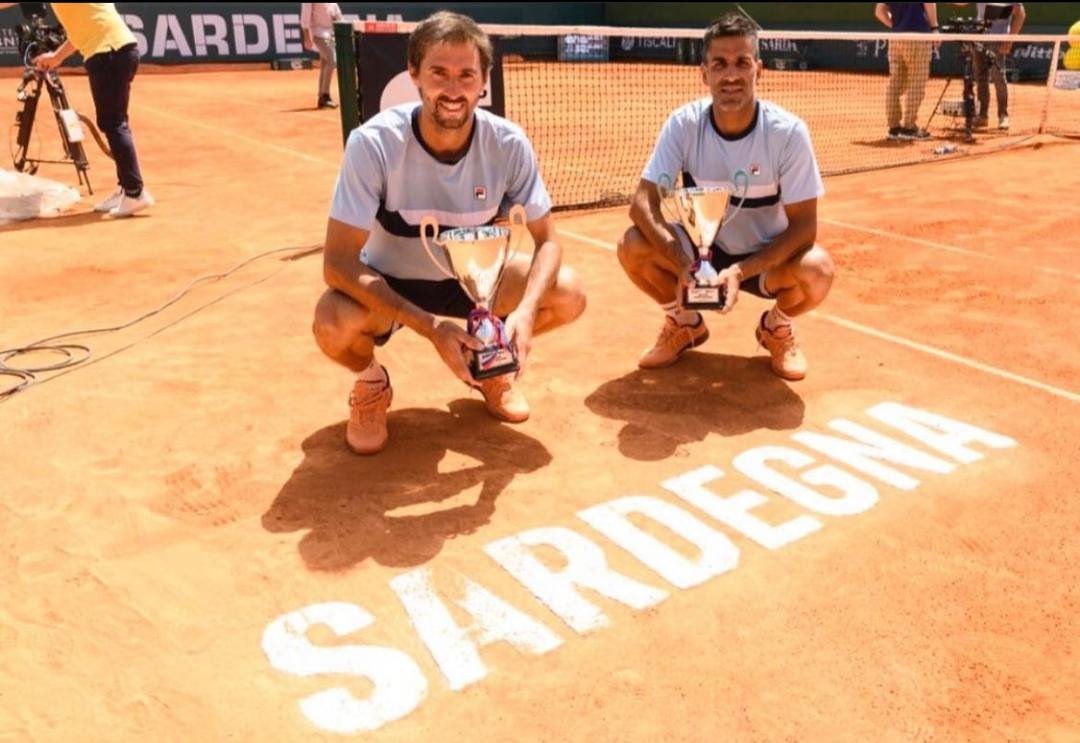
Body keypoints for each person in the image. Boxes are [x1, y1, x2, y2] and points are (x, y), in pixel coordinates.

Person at [312, 11, 586, 455]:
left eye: (466, 75)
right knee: (332, 320)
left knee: (568, 292)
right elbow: (337, 263)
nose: (453, 90)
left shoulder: (509, 143)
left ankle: (489, 368)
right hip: (390, 285)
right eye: (439, 73)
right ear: (414, 74)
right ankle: (371, 382)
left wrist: (528, 313)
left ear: (484, 81)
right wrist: (430, 327)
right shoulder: (372, 144)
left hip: (476, 286)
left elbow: (548, 240)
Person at [616, 12, 834, 382]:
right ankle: (684, 322)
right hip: (699, 254)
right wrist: (682, 261)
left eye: (741, 63)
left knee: (818, 270)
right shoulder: (683, 124)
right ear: (704, 73)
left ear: (758, 70)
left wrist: (739, 272)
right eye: (719, 64)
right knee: (632, 246)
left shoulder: (788, 133)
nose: (731, 74)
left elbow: (804, 228)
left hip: (766, 258)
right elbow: (642, 203)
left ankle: (776, 328)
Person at [0, 2, 153, 217]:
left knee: (113, 123)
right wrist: (55, 58)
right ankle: (125, 188)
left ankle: (135, 193)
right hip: (120, 49)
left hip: (107, 53)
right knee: (114, 121)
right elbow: (80, 34)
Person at [875, 3, 940, 141]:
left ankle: (894, 128)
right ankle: (909, 128)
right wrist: (934, 28)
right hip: (918, 37)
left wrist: (896, 26)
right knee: (917, 83)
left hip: (897, 39)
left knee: (895, 83)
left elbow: (879, 11)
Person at [972, 3, 1026, 130]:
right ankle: (982, 116)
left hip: (998, 39)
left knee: (998, 76)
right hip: (978, 37)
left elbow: (1021, 14)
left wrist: (1009, 40)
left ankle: (1003, 115)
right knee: (980, 77)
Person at [300, 2, 342, 109]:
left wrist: (343, 24)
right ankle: (325, 95)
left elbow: (337, 13)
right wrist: (307, 37)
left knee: (326, 63)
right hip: (318, 33)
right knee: (332, 60)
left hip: (330, 34)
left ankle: (322, 96)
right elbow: (305, 15)